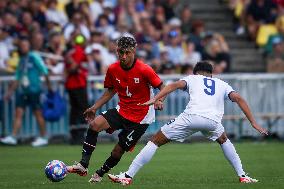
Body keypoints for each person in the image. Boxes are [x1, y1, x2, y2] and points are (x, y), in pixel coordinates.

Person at [108, 61, 268, 185]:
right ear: (211, 74)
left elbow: (173, 85)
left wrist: (156, 98)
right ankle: (242, 176)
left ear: (196, 72)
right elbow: (238, 98)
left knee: (155, 141)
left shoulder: (192, 78)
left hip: (191, 117)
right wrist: (253, 122)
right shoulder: (222, 84)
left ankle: (127, 176)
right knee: (223, 139)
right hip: (212, 122)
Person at [67, 34, 165, 183]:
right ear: (116, 51)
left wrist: (159, 99)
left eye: (127, 53)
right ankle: (83, 165)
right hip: (122, 110)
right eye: (121, 52)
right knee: (94, 125)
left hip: (141, 117)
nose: (124, 56)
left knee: (118, 150)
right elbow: (111, 91)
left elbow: (162, 87)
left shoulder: (144, 69)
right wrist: (94, 107)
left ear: (134, 52)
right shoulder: (113, 69)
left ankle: (100, 173)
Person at [0, 38, 51, 147]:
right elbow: (18, 77)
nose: (23, 47)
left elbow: (45, 71)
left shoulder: (34, 57)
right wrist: (9, 92)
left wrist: (49, 87)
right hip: (23, 90)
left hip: (34, 90)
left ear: (29, 46)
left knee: (38, 114)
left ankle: (44, 137)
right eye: (21, 45)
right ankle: (13, 137)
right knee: (18, 113)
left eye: (25, 45)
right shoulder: (22, 59)